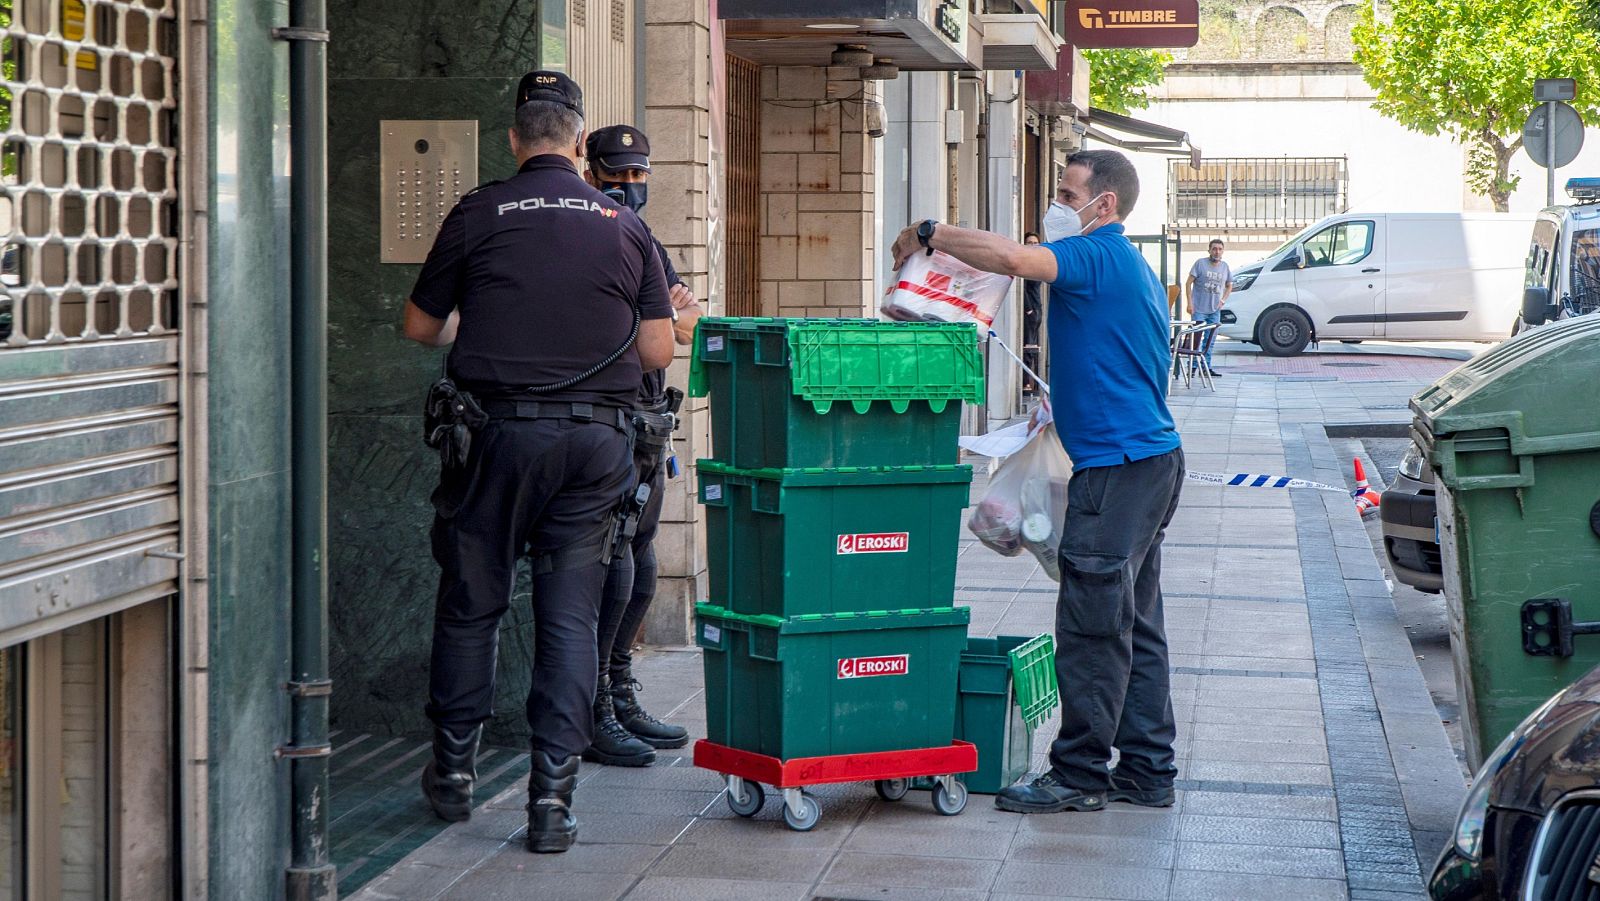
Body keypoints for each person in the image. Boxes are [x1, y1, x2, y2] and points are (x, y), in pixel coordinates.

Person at [401, 71, 675, 853]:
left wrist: (484, 324)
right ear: (582, 145)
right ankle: (550, 805)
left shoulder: (479, 210)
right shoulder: (625, 229)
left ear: (517, 141)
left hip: (494, 439)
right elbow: (658, 347)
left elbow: (421, 325)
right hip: (593, 449)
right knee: (569, 618)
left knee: (472, 602)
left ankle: (452, 774)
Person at [891, 149, 1184, 815]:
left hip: (1120, 470)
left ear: (1103, 204)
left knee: (1092, 625)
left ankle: (1079, 773)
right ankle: (1146, 768)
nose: (1056, 203)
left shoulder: (1099, 253)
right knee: (1134, 621)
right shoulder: (1123, 265)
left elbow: (1018, 260)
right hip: (1146, 461)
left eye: (1066, 190)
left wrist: (930, 233)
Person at [578, 124, 702, 768]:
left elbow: (687, 321)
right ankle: (594, 700)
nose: (628, 188)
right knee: (610, 560)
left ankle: (619, 688)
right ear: (588, 168)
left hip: (647, 422)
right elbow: (654, 326)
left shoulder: (643, 238)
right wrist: (653, 317)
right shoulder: (587, 232)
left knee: (642, 559)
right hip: (602, 420)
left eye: (637, 176)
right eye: (615, 175)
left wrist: (662, 317)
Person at [1184, 239, 1231, 376]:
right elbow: (1188, 283)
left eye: (1220, 249)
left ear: (1222, 251)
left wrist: (1223, 300)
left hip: (1214, 310)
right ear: (1209, 250)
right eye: (1214, 249)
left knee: (1210, 341)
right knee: (1196, 339)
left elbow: (1229, 285)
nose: (1217, 252)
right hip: (1198, 309)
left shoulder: (1225, 267)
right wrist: (1189, 303)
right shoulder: (1200, 264)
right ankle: (1192, 367)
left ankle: (1205, 368)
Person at [1020, 232, 1044, 396]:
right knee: (1028, 346)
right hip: (1029, 310)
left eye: (1035, 243)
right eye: (1029, 243)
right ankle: (1026, 383)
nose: (1033, 245)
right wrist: (1028, 309)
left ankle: (1030, 382)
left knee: (1033, 346)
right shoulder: (1024, 264)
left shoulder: (1037, 263)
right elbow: (1023, 287)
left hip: (1037, 308)